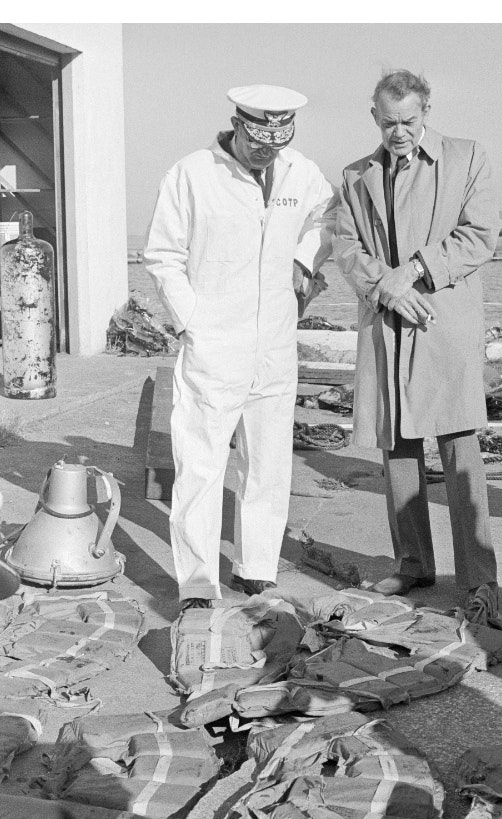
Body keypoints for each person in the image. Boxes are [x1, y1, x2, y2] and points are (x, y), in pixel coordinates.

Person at [144, 84, 333, 611]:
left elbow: (330, 219)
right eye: (257, 140)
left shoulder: (301, 172)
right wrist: (192, 323)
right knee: (201, 464)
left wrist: (304, 259)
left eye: (276, 142)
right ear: (237, 124)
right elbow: (162, 255)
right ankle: (198, 579)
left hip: (275, 339)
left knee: (268, 461)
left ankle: (257, 567)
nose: (265, 151)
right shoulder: (191, 173)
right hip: (214, 342)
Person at [330, 69, 502, 630]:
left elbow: (479, 234)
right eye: (388, 123)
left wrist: (412, 273)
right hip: (387, 322)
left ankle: (478, 581)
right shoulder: (356, 176)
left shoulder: (468, 156)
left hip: (442, 323)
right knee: (397, 446)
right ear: (374, 116)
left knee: (460, 451)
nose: (399, 133)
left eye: (408, 121)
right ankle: (413, 564)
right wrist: (386, 287)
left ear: (426, 111)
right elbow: (347, 245)